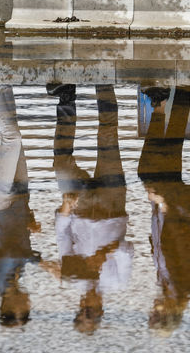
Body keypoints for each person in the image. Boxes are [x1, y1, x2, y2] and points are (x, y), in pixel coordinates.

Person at [41, 82, 133, 333]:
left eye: (81, 312)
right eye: (89, 313)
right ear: (100, 311)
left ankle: (67, 98)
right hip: (112, 204)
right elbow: (128, 249)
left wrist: (65, 209)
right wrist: (106, 253)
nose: (85, 307)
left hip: (80, 206)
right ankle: (104, 83)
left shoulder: (73, 279)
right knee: (107, 138)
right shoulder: (116, 282)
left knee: (60, 162)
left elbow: (63, 236)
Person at [138, 85, 190, 334]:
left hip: (165, 207)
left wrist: (157, 209)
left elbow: (161, 245)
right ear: (169, 313)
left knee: (166, 155)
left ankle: (164, 102)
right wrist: (165, 204)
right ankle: (171, 98)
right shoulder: (186, 286)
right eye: (155, 313)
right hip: (177, 207)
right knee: (154, 165)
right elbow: (184, 242)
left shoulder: (165, 285)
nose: (152, 308)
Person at [0, 84, 41, 328]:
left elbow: (9, 254)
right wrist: (29, 222)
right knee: (13, 136)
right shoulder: (17, 276)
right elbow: (16, 244)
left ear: (8, 306)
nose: (29, 303)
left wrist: (40, 261)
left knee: (11, 139)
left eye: (24, 308)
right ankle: (3, 84)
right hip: (18, 200)